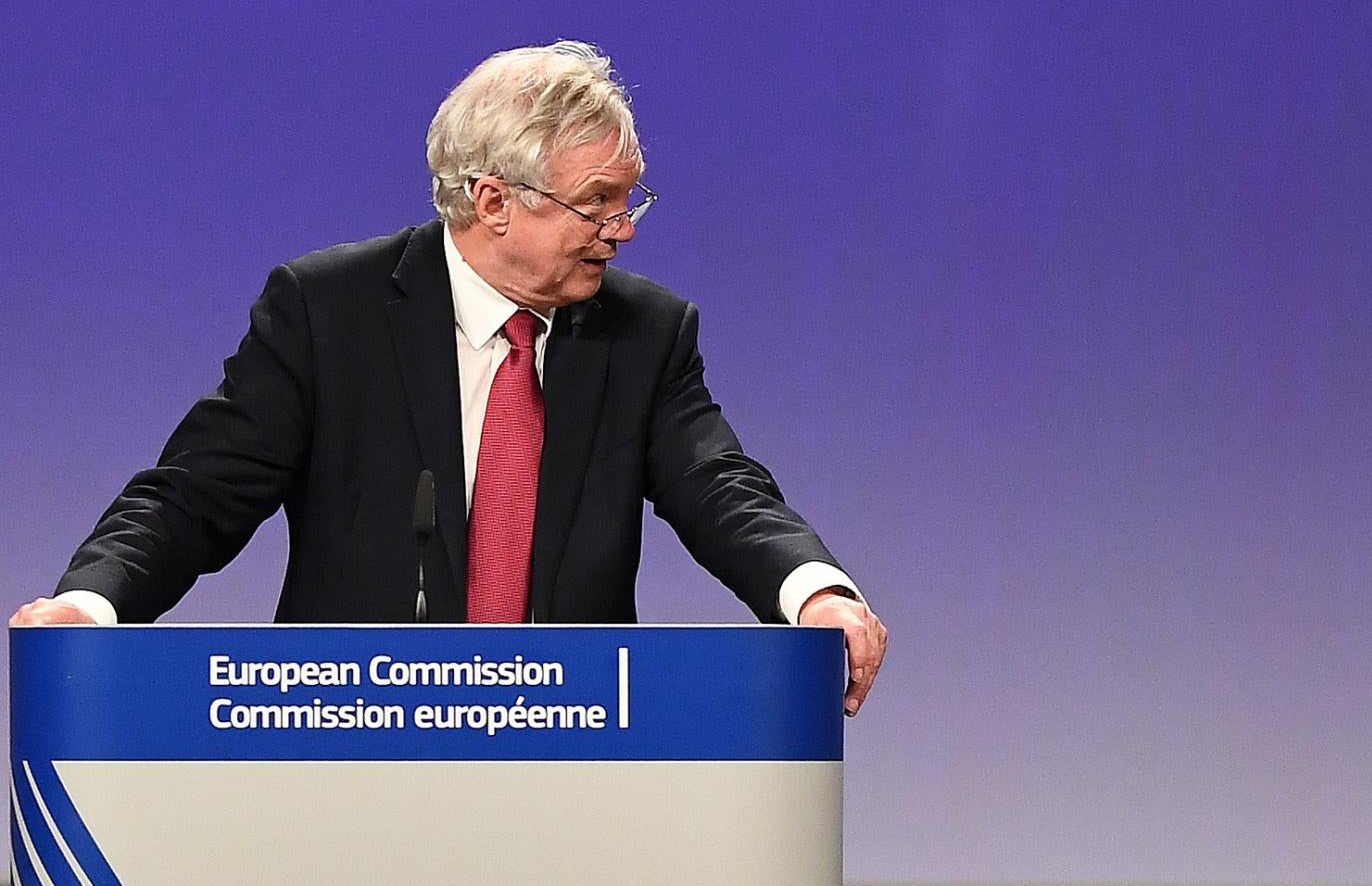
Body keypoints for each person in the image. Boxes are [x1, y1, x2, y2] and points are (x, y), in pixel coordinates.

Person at [10, 42, 889, 713]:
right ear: (494, 200)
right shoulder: (329, 313)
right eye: (597, 201)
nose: (621, 229)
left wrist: (814, 591)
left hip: (574, 756)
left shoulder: (645, 332)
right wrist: (92, 605)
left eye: (632, 198)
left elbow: (720, 486)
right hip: (352, 748)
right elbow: (191, 495)